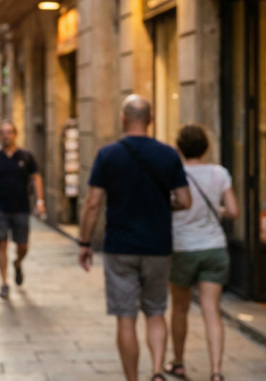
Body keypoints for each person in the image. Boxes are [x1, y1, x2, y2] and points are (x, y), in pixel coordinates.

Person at [77, 95, 192, 381]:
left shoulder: (108, 154)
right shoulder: (168, 154)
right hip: (158, 246)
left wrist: (85, 242)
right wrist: (165, 204)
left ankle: (133, 379)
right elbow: (185, 200)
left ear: (123, 119)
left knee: (125, 317)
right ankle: (156, 370)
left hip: (121, 247)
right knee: (155, 311)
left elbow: (92, 203)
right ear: (150, 119)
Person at [164, 124, 239, 381]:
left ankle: (178, 362)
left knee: (180, 308)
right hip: (214, 248)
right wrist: (217, 211)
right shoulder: (219, 173)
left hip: (183, 248)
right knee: (211, 310)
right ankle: (216, 370)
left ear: (179, 147)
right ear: (206, 147)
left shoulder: (175, 173)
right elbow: (234, 211)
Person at [0, 121, 44, 299]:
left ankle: (17, 262)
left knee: (22, 246)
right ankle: (4, 282)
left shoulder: (26, 156)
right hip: (0, 208)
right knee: (1, 243)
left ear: (15, 134)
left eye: (9, 132)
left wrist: (40, 201)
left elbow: (36, 178)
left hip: (21, 208)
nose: (6, 135)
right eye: (3, 132)